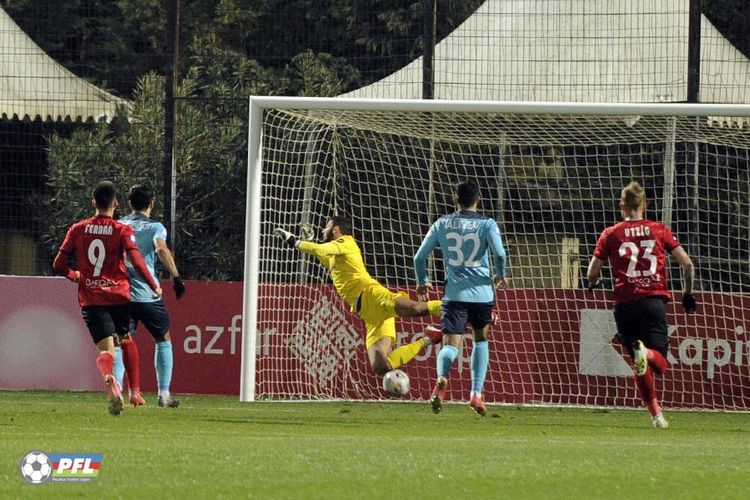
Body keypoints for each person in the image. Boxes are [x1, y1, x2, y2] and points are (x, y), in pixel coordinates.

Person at [274, 215, 444, 377]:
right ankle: (428, 339)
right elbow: (319, 251)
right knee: (380, 366)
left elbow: (319, 249)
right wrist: (306, 242)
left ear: (336, 229)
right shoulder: (335, 256)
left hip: (372, 296)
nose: (323, 230)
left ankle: (454, 309)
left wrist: (293, 240)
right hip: (368, 314)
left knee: (417, 308)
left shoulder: (346, 242)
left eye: (327, 226)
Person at [586, 181, 696, 429]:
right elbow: (688, 265)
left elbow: (592, 271)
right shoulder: (658, 229)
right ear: (645, 206)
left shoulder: (610, 233)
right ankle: (646, 356)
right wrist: (687, 294)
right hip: (653, 301)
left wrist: (593, 282)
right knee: (660, 363)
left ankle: (656, 415)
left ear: (621, 206)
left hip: (624, 305)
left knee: (638, 362)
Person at [53, 180, 162, 416]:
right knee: (126, 340)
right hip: (118, 296)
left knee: (106, 352)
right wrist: (153, 284)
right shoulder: (122, 229)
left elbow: (58, 264)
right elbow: (136, 261)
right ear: (115, 203)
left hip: (91, 297)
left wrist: (75, 276)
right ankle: (135, 392)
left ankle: (110, 379)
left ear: (94, 202)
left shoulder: (78, 229)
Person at [414, 180, 509, 417]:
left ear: (455, 199)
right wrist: (501, 274)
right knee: (480, 340)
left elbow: (419, 257)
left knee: (450, 345)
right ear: (479, 198)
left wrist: (422, 280)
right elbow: (500, 253)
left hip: (455, 294)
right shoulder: (488, 224)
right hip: (482, 295)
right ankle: (476, 393)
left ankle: (442, 380)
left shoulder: (442, 223)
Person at [118, 184, 185, 408]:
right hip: (148, 295)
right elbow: (162, 250)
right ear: (152, 204)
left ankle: (116, 392)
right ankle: (163, 394)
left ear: (129, 204)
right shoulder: (155, 227)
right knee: (163, 339)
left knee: (120, 342)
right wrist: (176, 278)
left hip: (121, 295)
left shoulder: (119, 225)